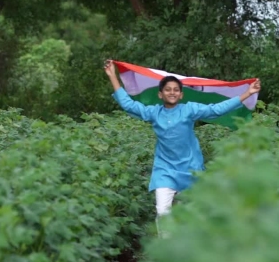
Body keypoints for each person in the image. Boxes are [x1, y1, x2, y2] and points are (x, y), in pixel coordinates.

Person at [103, 60, 261, 233]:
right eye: (168, 89)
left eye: (176, 90)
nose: (172, 92)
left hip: (190, 169)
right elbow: (128, 105)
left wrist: (247, 93)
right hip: (165, 171)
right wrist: (112, 75)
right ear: (160, 94)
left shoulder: (189, 110)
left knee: (195, 215)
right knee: (163, 212)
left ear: (181, 95)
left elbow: (216, 109)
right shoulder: (153, 112)